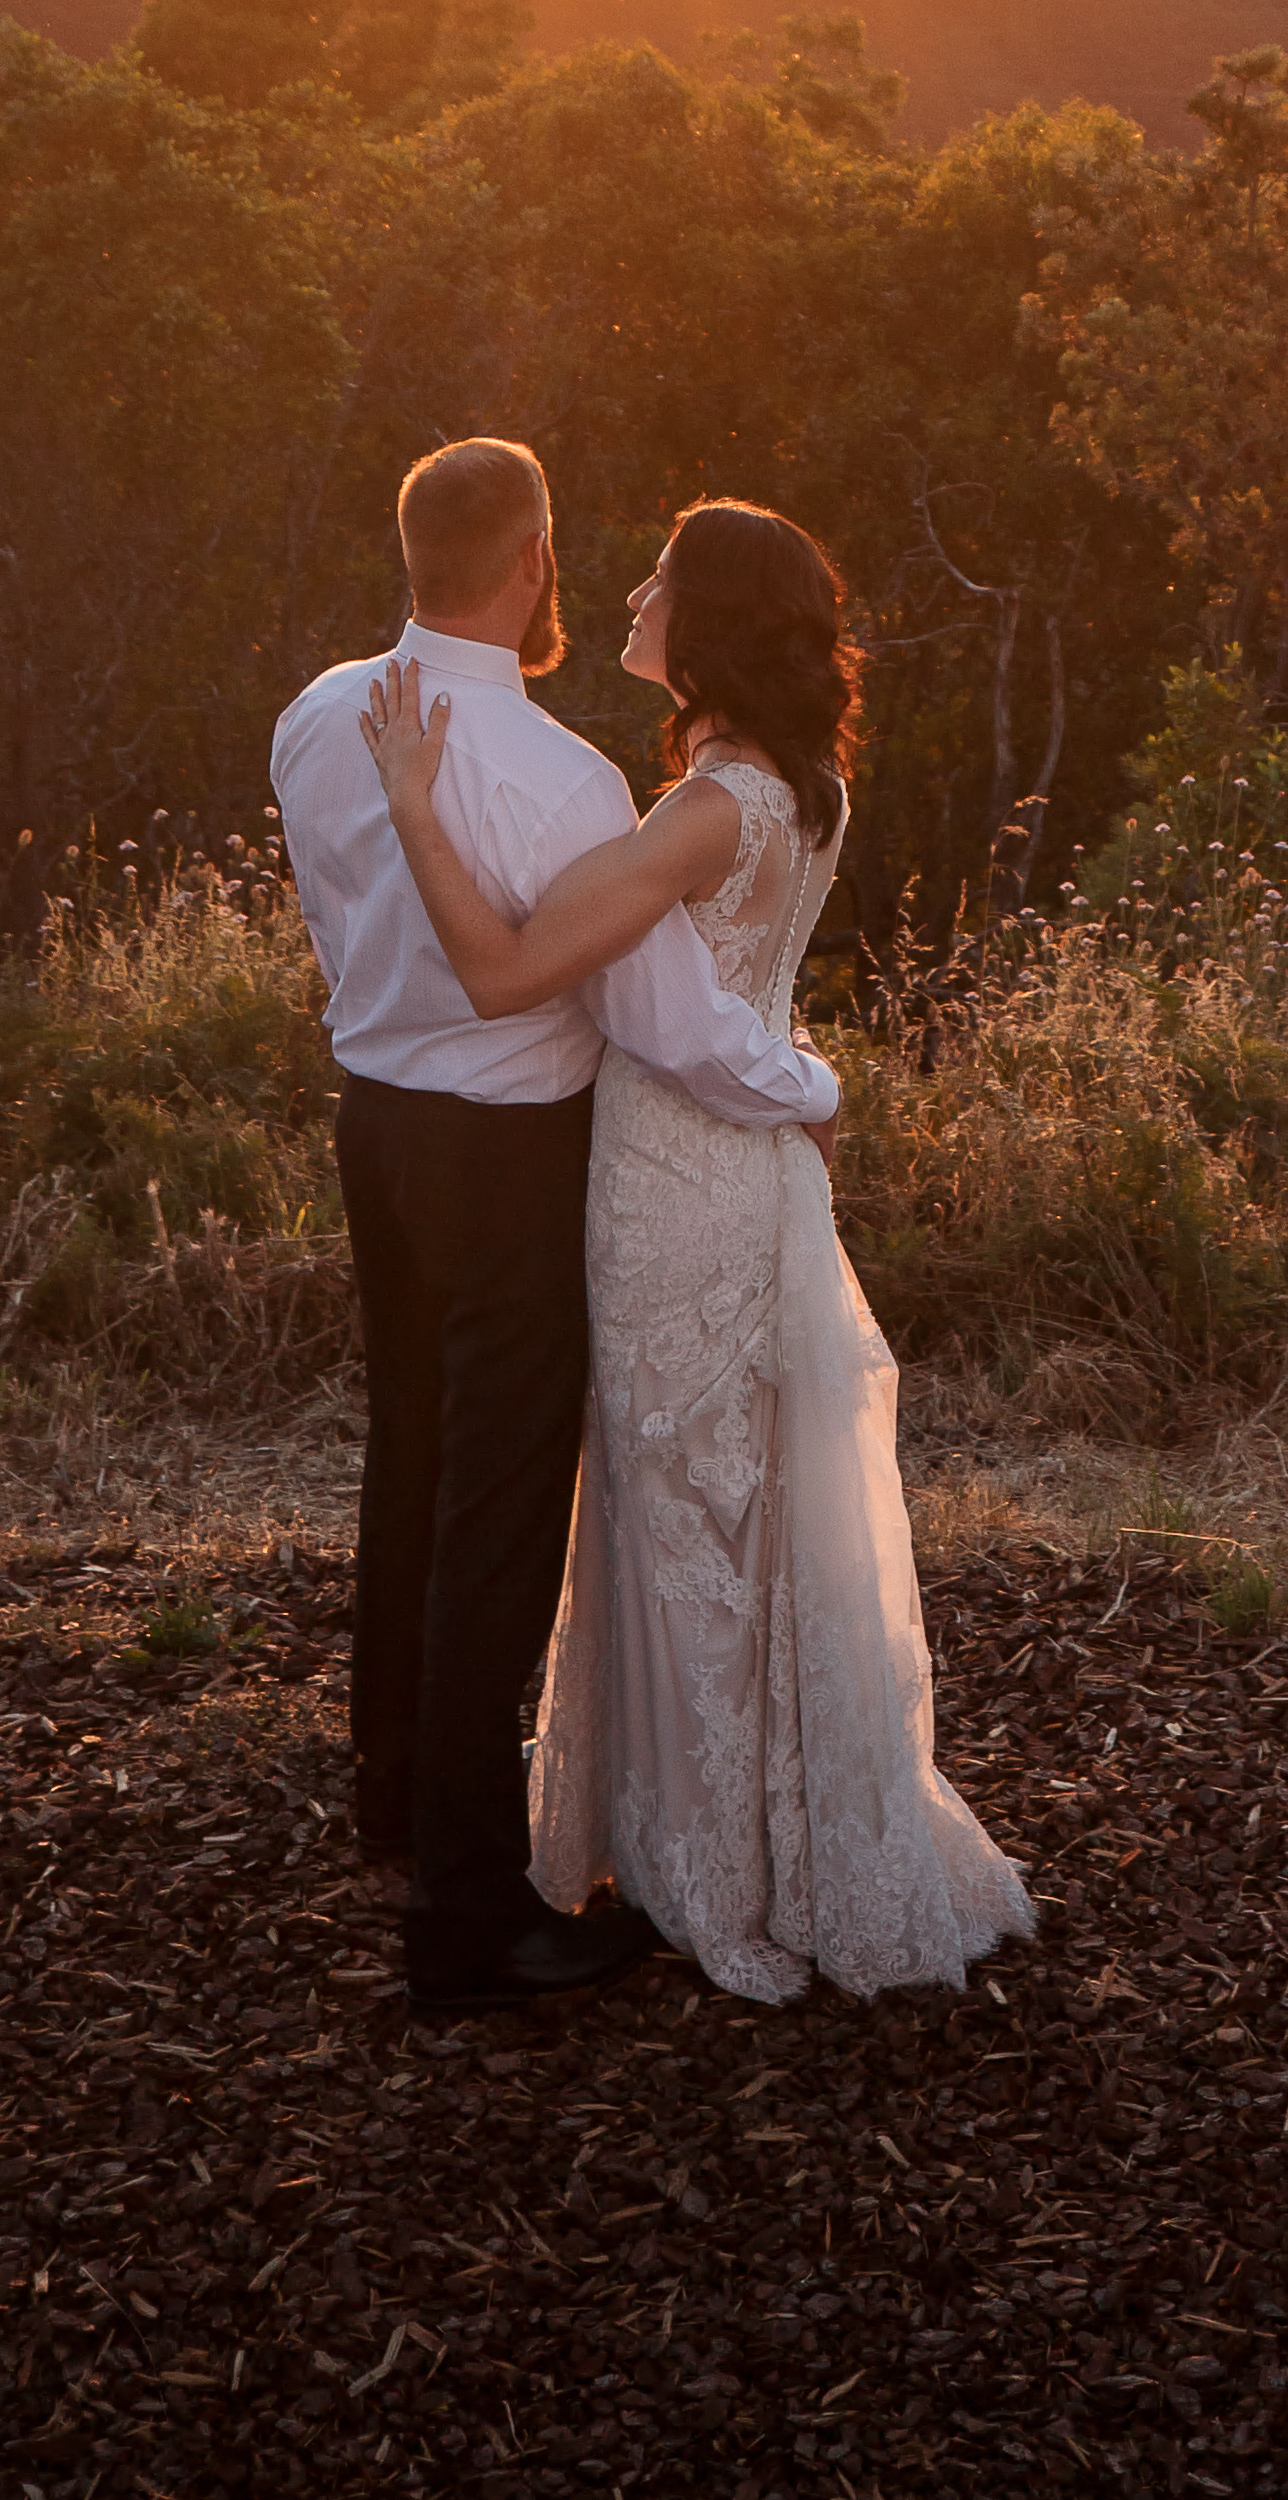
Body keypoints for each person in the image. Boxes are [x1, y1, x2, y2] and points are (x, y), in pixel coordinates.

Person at [360, 492, 1031, 2002]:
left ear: (711, 619)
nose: (629, 595)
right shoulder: (804, 786)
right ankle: (765, 1829)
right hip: (752, 1180)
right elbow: (740, 1015)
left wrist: (414, 801)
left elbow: (506, 968)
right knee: (738, 1503)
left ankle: (715, 1857)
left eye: (660, 578)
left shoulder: (703, 810)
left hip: (671, 1186)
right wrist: (814, 1093)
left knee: (681, 1513)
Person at [272, 437, 842, 2017]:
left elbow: (346, 913)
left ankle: (394, 1795)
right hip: (511, 1157)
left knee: (409, 1449)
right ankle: (465, 1910)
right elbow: (651, 1008)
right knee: (498, 1516)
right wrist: (806, 1082)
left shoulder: (319, 712)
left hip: (375, 1129)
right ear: (527, 563)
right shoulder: (566, 779)